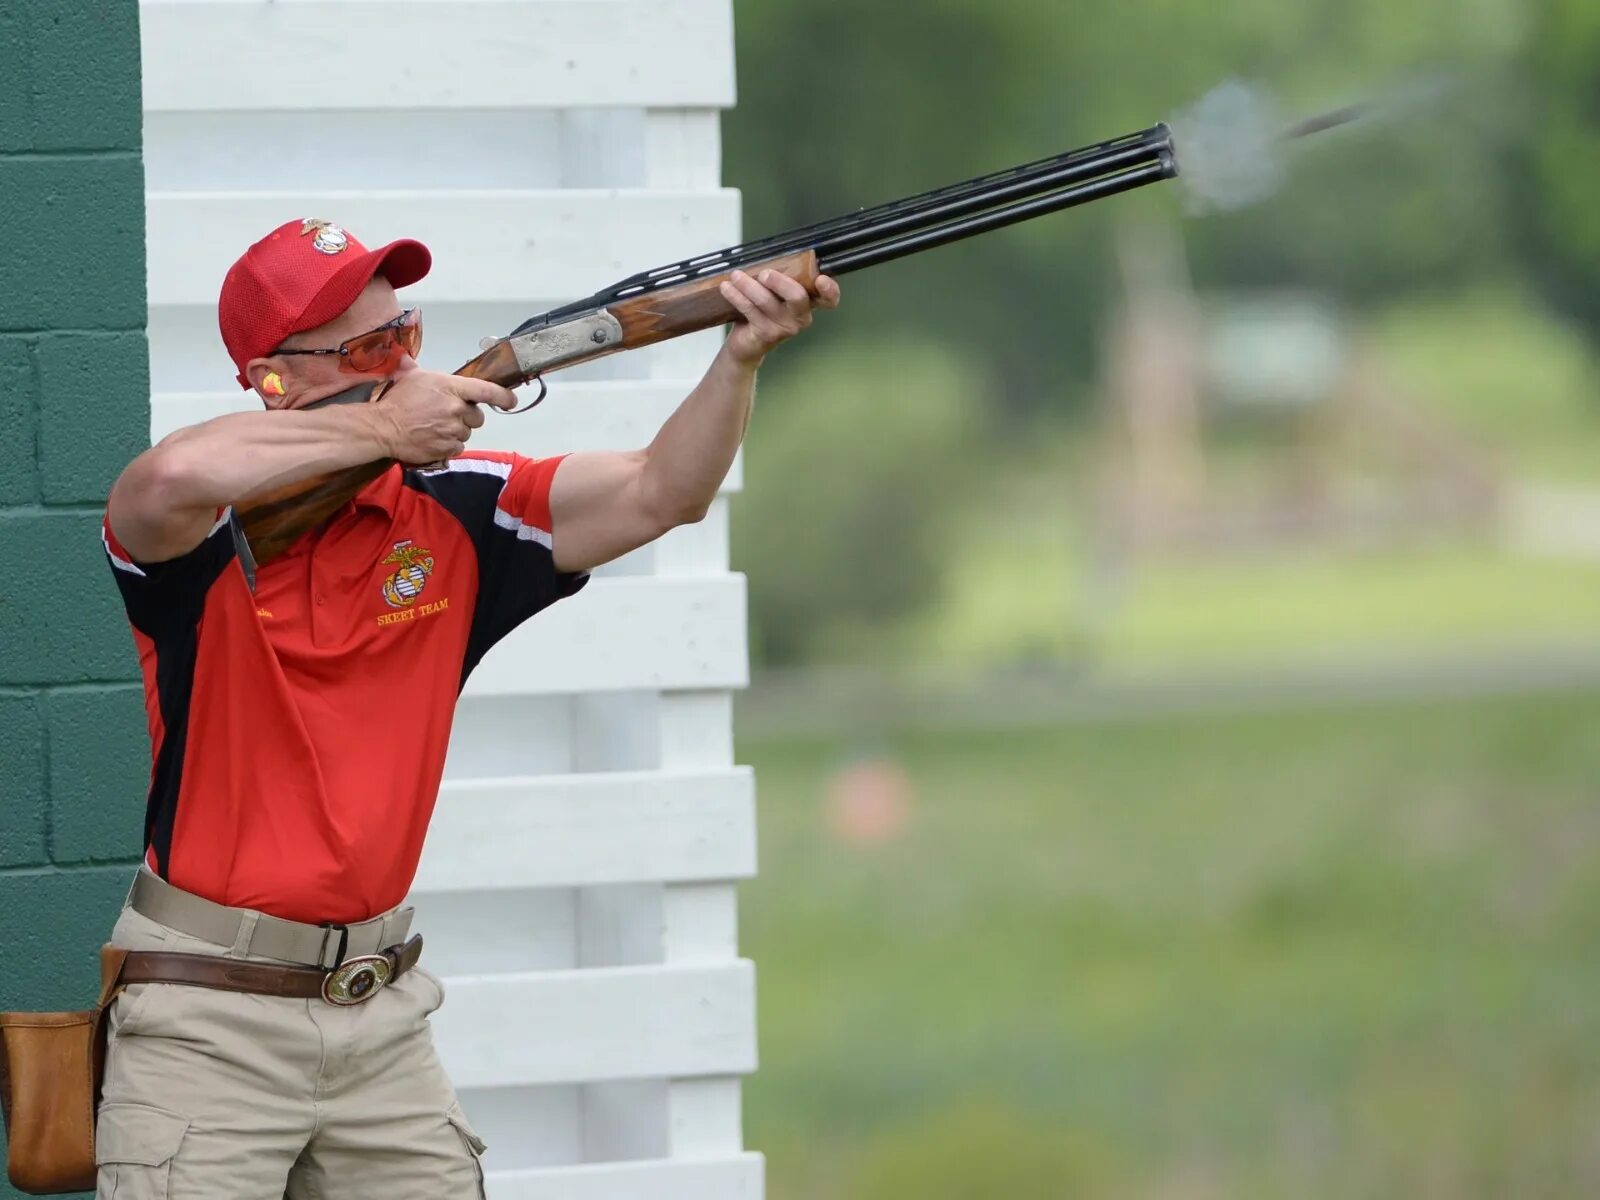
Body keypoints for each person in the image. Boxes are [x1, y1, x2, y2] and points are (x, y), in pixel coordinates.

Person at [95, 217, 840, 1198]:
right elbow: (161, 479)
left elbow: (663, 492)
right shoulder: (205, 525)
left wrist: (736, 360)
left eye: (406, 333)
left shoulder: (458, 507)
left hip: (382, 1010)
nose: (406, 362)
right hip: (206, 1014)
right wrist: (376, 429)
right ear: (276, 380)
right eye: (369, 349)